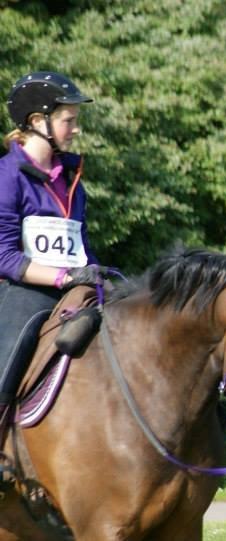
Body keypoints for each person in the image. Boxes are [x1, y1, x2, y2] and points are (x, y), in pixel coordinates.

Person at [0, 71, 107, 424]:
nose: (75, 129)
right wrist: (63, 277)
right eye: (68, 121)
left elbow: (80, 246)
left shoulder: (73, 180)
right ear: (36, 121)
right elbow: (5, 257)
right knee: (15, 343)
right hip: (21, 289)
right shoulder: (7, 177)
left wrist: (93, 274)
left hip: (74, 287)